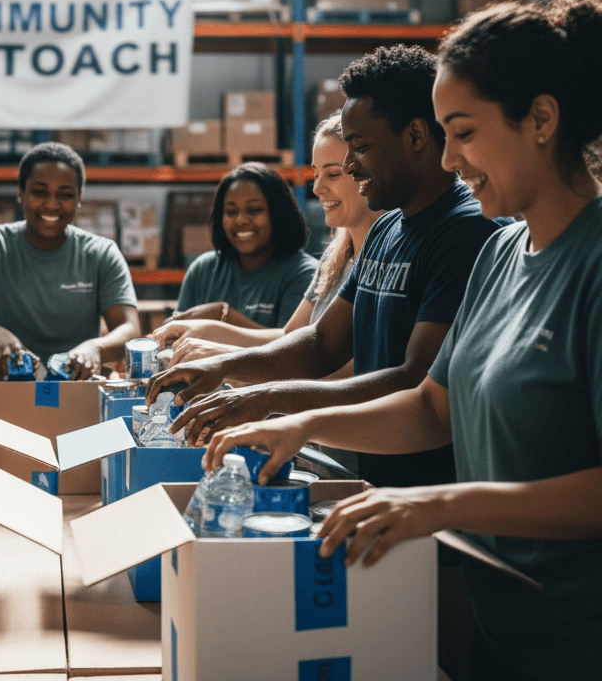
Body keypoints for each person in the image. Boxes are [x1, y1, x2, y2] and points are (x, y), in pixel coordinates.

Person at [203, 0, 602, 681]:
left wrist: (435, 503)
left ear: (541, 119)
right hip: (499, 628)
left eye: (464, 131)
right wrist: (299, 423)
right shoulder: (502, 254)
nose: (448, 159)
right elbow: (431, 408)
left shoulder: (592, 267)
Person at [148, 44, 502, 490]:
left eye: (360, 148)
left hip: (436, 492)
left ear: (414, 136)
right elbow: (321, 343)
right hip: (378, 482)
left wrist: (269, 399)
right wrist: (227, 367)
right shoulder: (387, 228)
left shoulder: (465, 233)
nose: (351, 166)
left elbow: (415, 381)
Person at [154, 113, 382, 371]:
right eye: (316, 174)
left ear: (367, 172)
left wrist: (228, 360)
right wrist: (208, 330)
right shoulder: (335, 257)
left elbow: (350, 367)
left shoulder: (388, 259)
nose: (317, 188)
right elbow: (289, 337)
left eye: (332, 174)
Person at [0, 141, 139, 379]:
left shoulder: (101, 253)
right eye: (39, 192)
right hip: (7, 390)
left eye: (65, 194)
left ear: (79, 198)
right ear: (20, 192)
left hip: (76, 393)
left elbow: (130, 329)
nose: (52, 204)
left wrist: (96, 348)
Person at [166, 162, 317, 330]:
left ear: (279, 214)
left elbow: (292, 347)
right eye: (231, 212)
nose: (240, 220)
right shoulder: (203, 270)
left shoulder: (304, 274)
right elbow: (176, 336)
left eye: (254, 210)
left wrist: (222, 315)